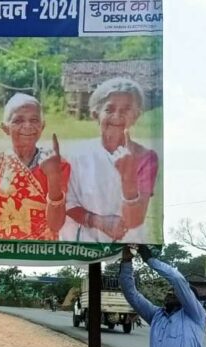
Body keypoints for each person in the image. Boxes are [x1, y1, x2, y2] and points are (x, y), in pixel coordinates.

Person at [61, 78, 159, 242]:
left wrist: (128, 178)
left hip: (126, 246)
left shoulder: (145, 158)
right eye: (109, 109)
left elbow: (135, 220)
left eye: (126, 110)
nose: (117, 116)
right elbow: (66, 203)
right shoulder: (76, 154)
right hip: (84, 243)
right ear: (95, 115)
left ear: (136, 116)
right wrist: (99, 222)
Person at [0, 93, 71, 240]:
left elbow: (56, 225)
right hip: (1, 254)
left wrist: (53, 176)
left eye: (34, 120)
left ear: (42, 126)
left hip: (41, 256)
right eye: (18, 120)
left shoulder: (58, 165)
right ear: (5, 128)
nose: (28, 126)